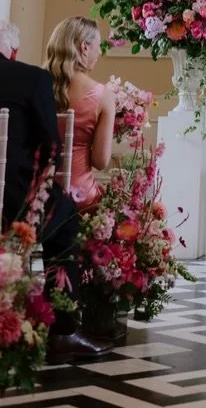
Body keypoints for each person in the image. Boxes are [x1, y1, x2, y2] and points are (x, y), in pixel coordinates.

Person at [0, 19, 109, 361]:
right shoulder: (30, 78)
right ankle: (63, 329)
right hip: (11, 202)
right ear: (12, 51)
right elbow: (51, 147)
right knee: (65, 216)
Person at [45, 16, 115, 211]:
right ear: (85, 47)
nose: (99, 53)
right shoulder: (103, 95)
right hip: (79, 199)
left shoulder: (37, 85)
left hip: (35, 196)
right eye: (98, 46)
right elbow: (100, 162)